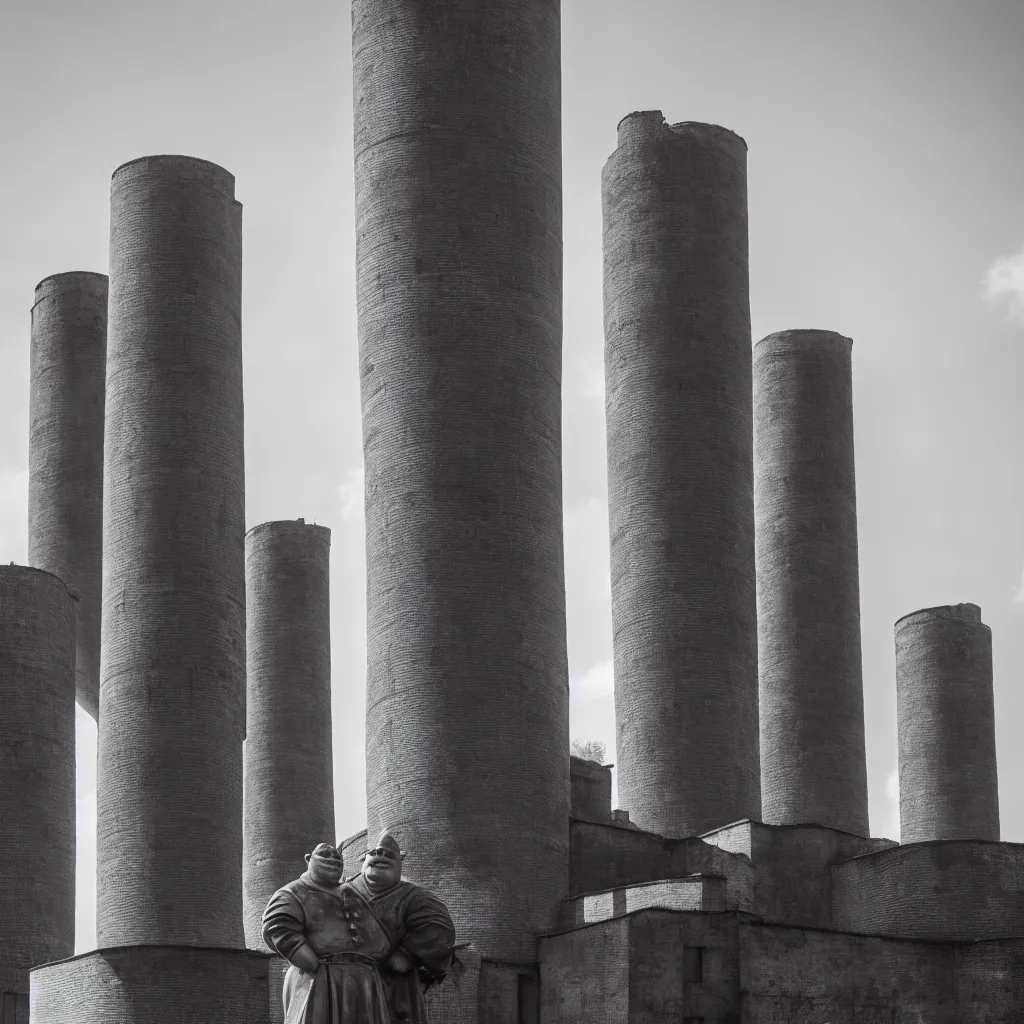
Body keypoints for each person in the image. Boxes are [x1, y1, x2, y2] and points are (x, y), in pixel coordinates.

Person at [262, 832, 457, 1024]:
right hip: (322, 979)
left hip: (376, 985)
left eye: (389, 855)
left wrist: (407, 954)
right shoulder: (320, 889)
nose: (381, 856)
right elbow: (278, 922)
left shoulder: (414, 896)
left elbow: (439, 929)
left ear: (400, 860)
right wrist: (302, 954)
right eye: (374, 853)